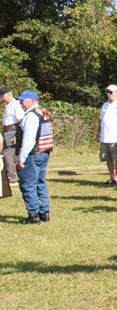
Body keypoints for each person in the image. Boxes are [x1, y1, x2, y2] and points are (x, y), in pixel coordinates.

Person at [14, 90, 54, 224]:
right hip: (44, 152)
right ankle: (44, 212)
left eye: (23, 100)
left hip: (33, 154)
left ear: (32, 100)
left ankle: (33, 215)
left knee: (28, 184)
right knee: (40, 183)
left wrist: (21, 158)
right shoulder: (43, 113)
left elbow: (29, 140)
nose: (21, 103)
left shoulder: (31, 116)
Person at [98, 84, 117, 186]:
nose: (108, 94)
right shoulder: (105, 105)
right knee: (107, 158)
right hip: (104, 136)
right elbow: (101, 120)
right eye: (107, 92)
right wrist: (98, 133)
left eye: (110, 92)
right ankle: (111, 177)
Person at [1, 87, 25, 185]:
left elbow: (20, 119)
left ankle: (12, 179)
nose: (2, 98)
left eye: (2, 96)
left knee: (7, 153)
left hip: (13, 130)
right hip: (8, 129)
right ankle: (21, 176)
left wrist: (16, 134)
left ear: (9, 94)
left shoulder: (16, 105)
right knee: (14, 154)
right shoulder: (8, 105)